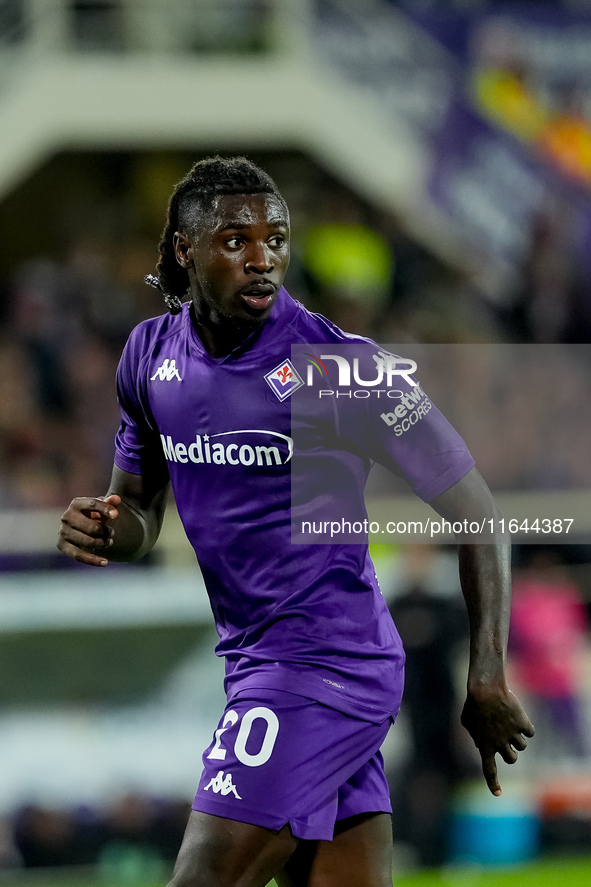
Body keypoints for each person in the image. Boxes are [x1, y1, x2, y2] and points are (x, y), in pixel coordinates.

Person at [57, 156, 534, 887]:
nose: (262, 257)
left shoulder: (339, 368)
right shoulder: (149, 358)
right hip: (256, 661)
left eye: (275, 239)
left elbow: (480, 515)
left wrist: (487, 674)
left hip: (324, 664)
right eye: (235, 240)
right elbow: (141, 515)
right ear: (185, 250)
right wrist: (105, 528)